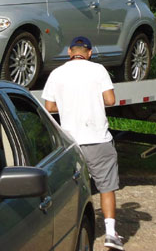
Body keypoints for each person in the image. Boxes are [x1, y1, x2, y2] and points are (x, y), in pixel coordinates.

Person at [42, 36, 124, 251]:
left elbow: (49, 107)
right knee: (106, 186)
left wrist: (68, 106)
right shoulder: (98, 70)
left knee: (71, 188)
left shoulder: (56, 74)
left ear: (70, 52)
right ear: (89, 53)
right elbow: (110, 100)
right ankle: (110, 234)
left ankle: (70, 229)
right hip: (98, 139)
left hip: (70, 141)